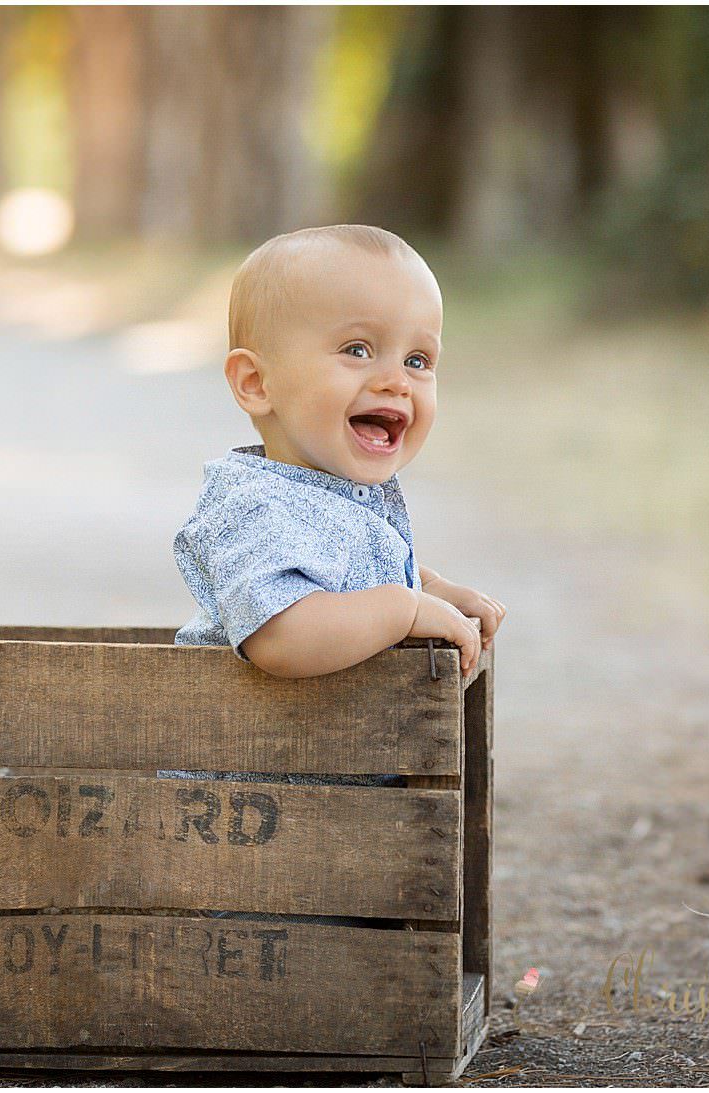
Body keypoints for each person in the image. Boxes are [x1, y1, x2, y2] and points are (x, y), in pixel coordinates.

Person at [161, 224, 507, 923]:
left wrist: (429, 588)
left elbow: (352, 575)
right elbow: (284, 635)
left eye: (418, 359)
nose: (393, 379)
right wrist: (404, 610)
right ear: (255, 382)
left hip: (313, 822)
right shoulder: (254, 504)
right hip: (235, 837)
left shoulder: (327, 491)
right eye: (356, 350)